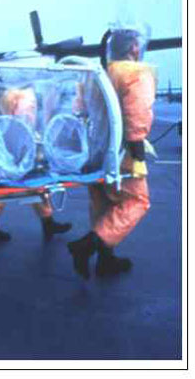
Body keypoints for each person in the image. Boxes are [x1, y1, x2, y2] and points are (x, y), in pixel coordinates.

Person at [67, 24, 155, 279]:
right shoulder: (135, 73)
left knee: (102, 204)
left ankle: (106, 260)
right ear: (134, 47)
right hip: (121, 152)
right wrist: (137, 152)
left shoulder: (97, 74)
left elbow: (80, 110)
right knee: (137, 201)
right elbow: (137, 114)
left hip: (96, 151)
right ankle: (86, 247)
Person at [0, 87, 72, 246]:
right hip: (8, 173)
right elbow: (3, 156)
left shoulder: (25, 127)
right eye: (29, 108)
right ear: (12, 109)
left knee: (39, 194)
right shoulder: (5, 128)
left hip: (27, 172)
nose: (33, 113)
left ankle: (48, 224)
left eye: (34, 108)